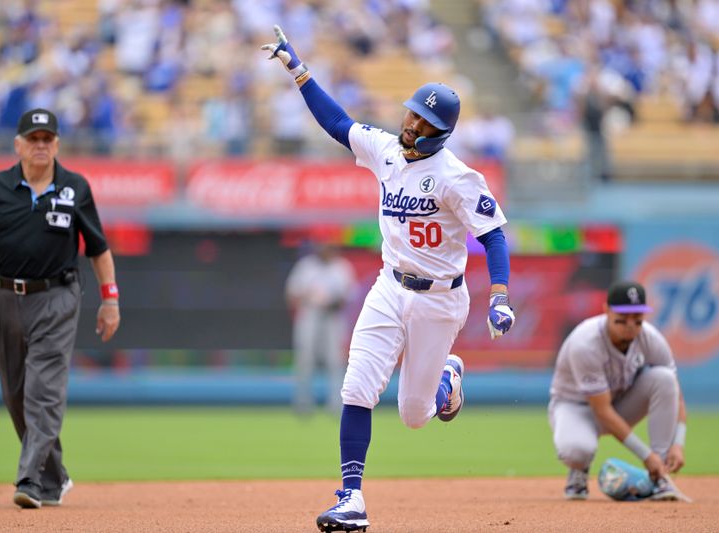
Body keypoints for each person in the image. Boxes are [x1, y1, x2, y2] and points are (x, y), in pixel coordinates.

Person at [261, 26, 516, 532]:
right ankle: (350, 496)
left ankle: (447, 379)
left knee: (415, 414)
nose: (410, 122)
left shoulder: (458, 178)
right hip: (389, 285)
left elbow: (494, 236)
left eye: (422, 120)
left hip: (440, 300)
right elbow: (338, 123)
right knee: (356, 386)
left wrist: (501, 295)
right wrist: (299, 70)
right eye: (410, 112)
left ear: (440, 132)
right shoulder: (386, 150)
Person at [0, 108, 120, 509]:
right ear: (17, 144)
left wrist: (110, 299)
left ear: (57, 144)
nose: (40, 145)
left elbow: (98, 249)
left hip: (57, 296)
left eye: (46, 139)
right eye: (32, 139)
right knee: (15, 393)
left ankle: (30, 480)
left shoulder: (75, 187)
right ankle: (55, 477)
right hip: (4, 295)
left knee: (43, 390)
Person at [548, 280, 687, 501]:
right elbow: (602, 411)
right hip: (575, 407)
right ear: (606, 311)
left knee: (665, 379)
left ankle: (659, 477)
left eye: (636, 315)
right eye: (623, 315)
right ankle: (579, 469)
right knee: (576, 450)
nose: (630, 323)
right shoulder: (585, 342)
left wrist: (678, 443)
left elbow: (675, 393)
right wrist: (645, 455)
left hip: (620, 403)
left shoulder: (650, 338)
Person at [285, 236, 356, 415]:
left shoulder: (341, 266)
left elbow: (350, 295)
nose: (326, 250)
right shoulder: (306, 266)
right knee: (305, 360)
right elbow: (291, 294)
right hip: (310, 314)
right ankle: (303, 404)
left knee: (335, 361)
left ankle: (336, 404)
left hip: (333, 317)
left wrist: (333, 301)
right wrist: (309, 297)